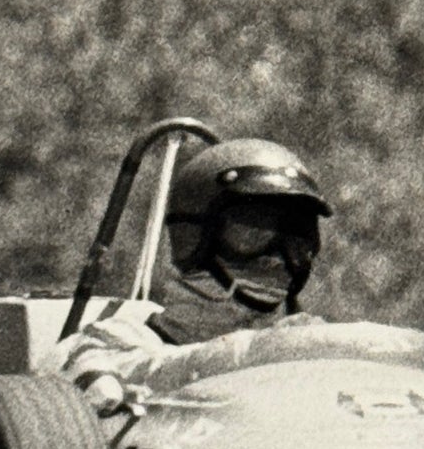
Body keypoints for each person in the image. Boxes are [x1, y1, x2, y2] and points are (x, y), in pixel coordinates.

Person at [59, 137, 332, 412]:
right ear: (194, 237)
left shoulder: (307, 339)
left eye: (298, 240)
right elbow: (87, 374)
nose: (277, 258)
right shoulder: (112, 342)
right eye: (253, 233)